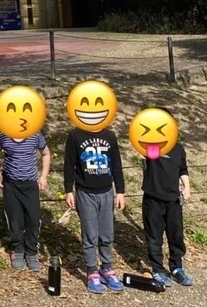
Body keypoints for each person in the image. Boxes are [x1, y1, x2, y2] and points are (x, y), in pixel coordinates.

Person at [64, 122, 126, 294]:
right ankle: (92, 271)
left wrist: (120, 191)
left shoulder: (110, 136)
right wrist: (68, 190)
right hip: (85, 192)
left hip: (107, 191)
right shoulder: (75, 135)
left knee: (107, 234)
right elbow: (69, 164)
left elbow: (117, 165)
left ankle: (107, 268)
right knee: (90, 234)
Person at [141, 108, 193, 287]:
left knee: (175, 235)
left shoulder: (179, 148)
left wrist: (186, 186)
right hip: (153, 200)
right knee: (154, 237)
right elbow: (139, 136)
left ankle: (176, 267)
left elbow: (183, 169)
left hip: (173, 200)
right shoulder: (152, 148)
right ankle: (157, 269)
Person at [0, 130, 51, 271]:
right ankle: (17, 250)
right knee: (15, 220)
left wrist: (44, 176)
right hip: (11, 184)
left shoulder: (35, 134)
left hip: (30, 184)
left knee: (33, 219)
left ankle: (31, 252)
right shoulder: (3, 134)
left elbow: (46, 153)